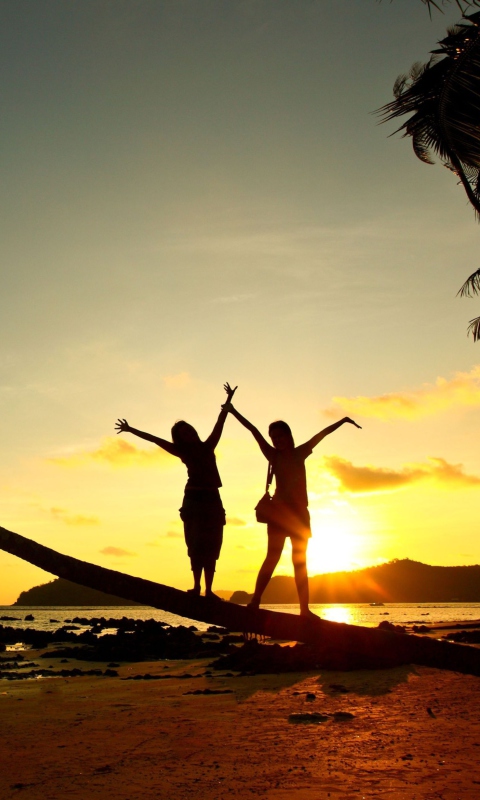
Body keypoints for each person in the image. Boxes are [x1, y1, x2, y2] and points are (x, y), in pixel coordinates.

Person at [224, 404, 361, 616]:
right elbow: (253, 430)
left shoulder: (300, 453)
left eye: (280, 436)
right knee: (272, 557)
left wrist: (342, 421)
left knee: (300, 562)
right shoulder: (272, 455)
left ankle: (304, 609)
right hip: (278, 514)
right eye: (273, 437)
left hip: (299, 515)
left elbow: (321, 434)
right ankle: (255, 600)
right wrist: (232, 411)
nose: (276, 440)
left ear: (289, 435)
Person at [115, 383, 237, 599]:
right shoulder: (180, 450)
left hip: (212, 498)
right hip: (193, 500)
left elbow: (220, 423)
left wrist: (228, 401)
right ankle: (197, 587)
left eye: (189, 430)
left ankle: (209, 590)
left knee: (212, 543)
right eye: (183, 433)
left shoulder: (208, 446)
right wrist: (130, 429)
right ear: (179, 438)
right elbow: (154, 439)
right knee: (195, 543)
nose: (188, 434)